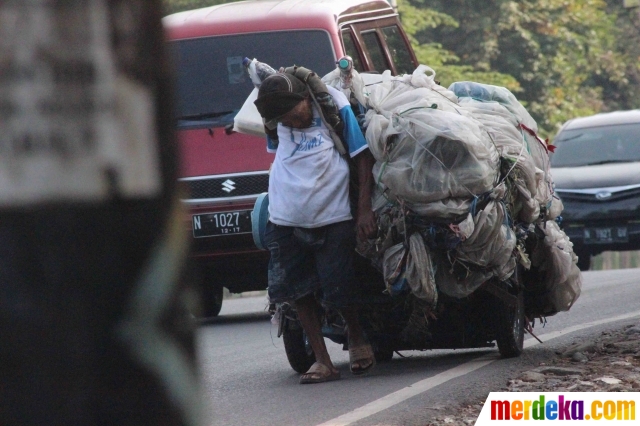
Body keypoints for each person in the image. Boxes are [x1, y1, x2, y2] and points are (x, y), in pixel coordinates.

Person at [254, 70, 377, 384]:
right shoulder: (277, 120)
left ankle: (357, 337)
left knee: (339, 285)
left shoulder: (332, 105)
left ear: (305, 98)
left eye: (294, 114)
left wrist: (364, 210)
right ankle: (323, 361)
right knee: (297, 290)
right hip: (284, 216)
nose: (291, 122)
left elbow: (362, 156)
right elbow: (278, 155)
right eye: (284, 120)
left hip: (333, 214)